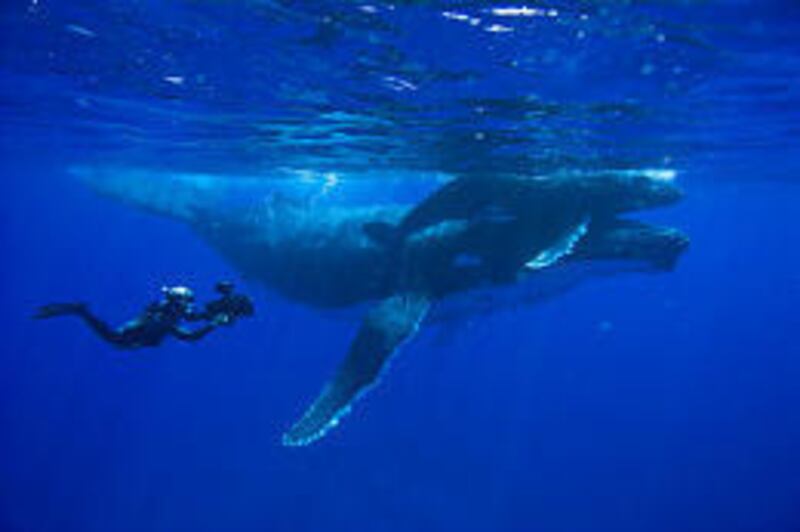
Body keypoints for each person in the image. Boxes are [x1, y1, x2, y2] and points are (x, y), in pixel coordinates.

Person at [33, 285, 217, 349]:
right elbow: (190, 336)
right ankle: (80, 311)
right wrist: (213, 324)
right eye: (186, 302)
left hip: (132, 333)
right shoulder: (166, 320)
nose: (188, 306)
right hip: (126, 338)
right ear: (178, 302)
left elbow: (191, 317)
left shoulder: (166, 310)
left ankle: (80, 311)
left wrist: (210, 315)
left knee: (111, 335)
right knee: (112, 337)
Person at [190, 281, 255, 326]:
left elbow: (229, 319)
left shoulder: (241, 298)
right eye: (223, 288)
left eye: (227, 288)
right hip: (223, 315)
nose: (226, 290)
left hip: (226, 316)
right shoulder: (221, 303)